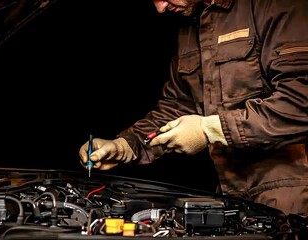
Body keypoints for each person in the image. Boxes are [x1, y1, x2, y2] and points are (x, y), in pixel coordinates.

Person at [79, 0, 308, 215]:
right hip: (231, 197)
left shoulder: (274, 5)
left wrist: (210, 130)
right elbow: (179, 104)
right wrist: (127, 145)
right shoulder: (193, 24)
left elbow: (300, 103)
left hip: (296, 198)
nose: (159, 8)